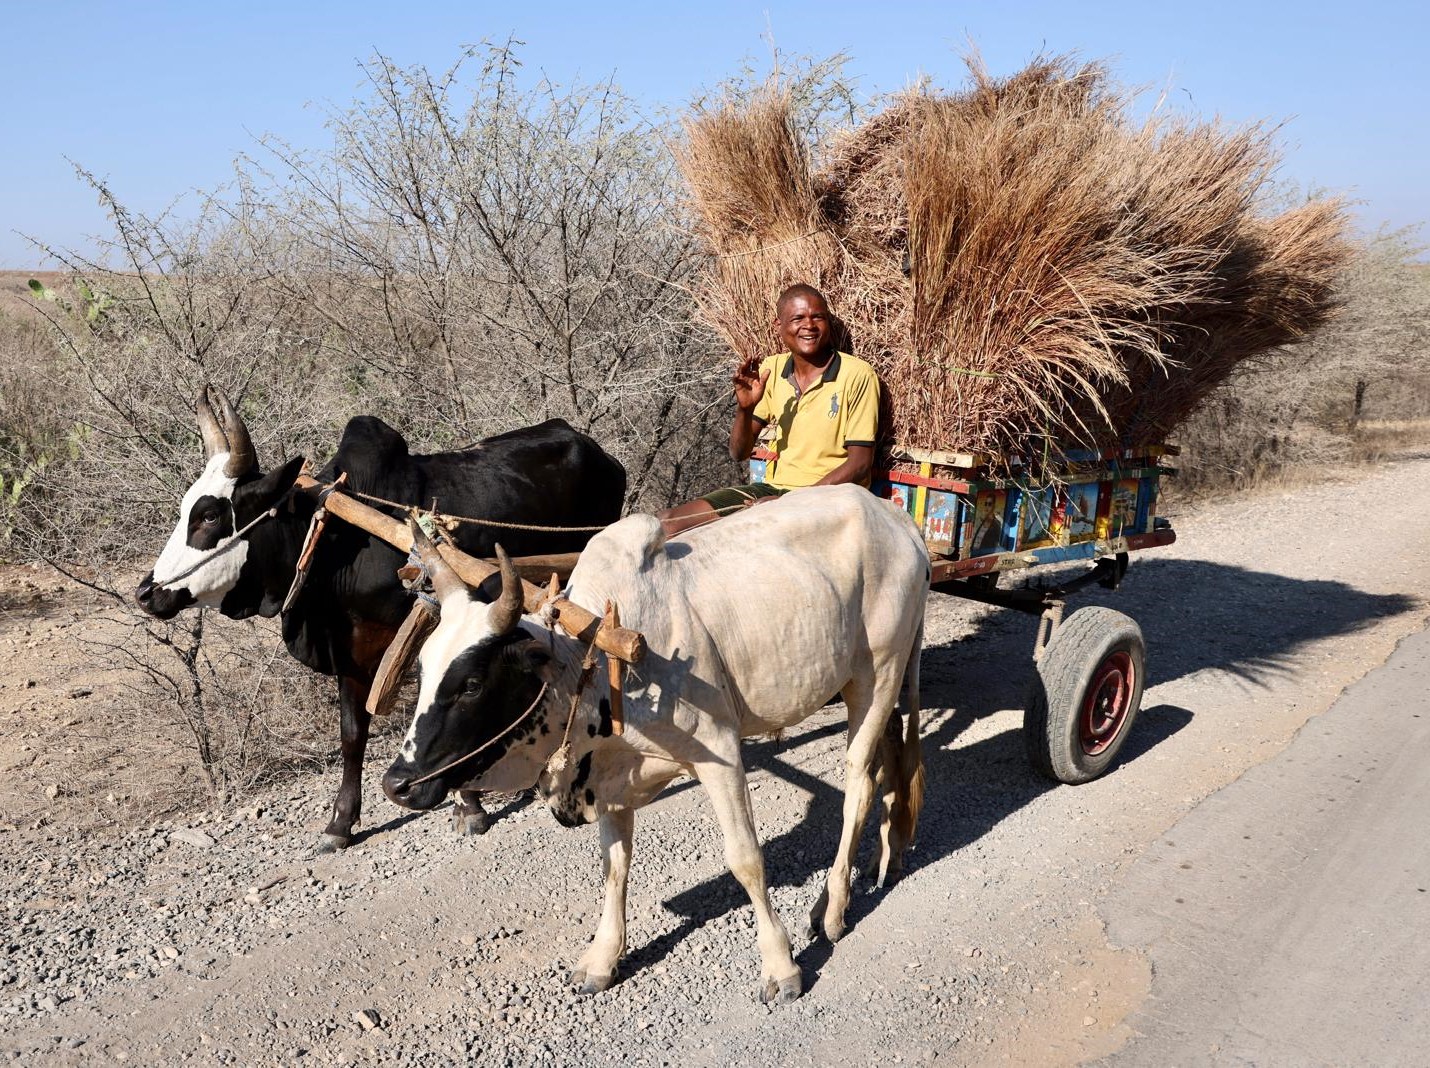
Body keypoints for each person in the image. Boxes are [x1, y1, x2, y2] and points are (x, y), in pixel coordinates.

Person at [658, 284, 880, 536]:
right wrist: (745, 408)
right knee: (666, 523)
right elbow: (738, 452)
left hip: (829, 497)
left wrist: (793, 502)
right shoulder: (771, 369)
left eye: (818, 317)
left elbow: (860, 464)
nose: (809, 325)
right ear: (779, 326)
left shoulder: (857, 374)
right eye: (798, 318)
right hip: (775, 490)